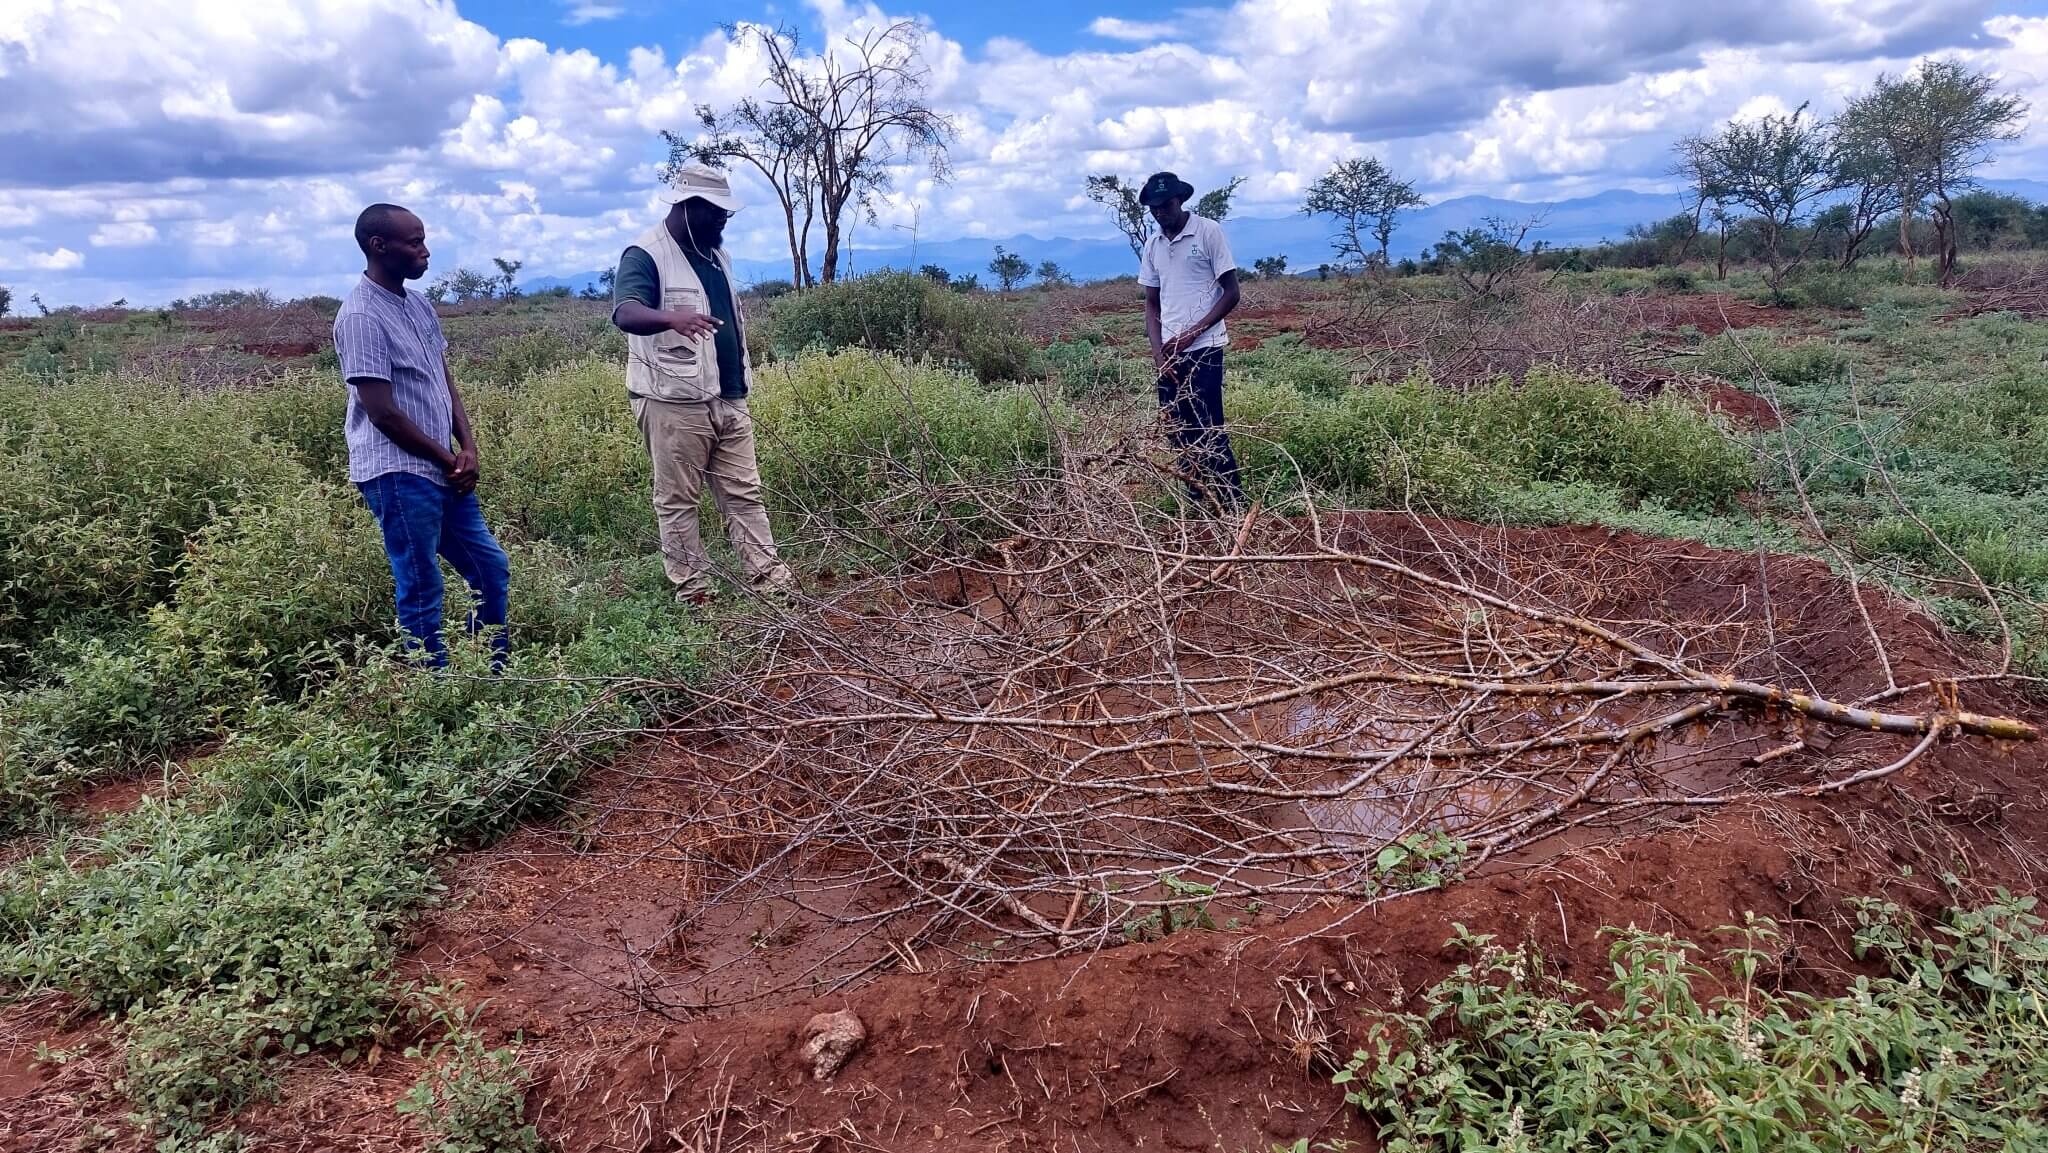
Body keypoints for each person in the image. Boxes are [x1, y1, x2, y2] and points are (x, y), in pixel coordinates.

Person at [333, 203, 511, 668]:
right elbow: (382, 413)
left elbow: (442, 380)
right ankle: (435, 687)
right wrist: (446, 458)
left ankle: (491, 670)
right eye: (414, 243)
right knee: (420, 582)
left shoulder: (418, 305)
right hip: (398, 473)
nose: (425, 251)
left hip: (442, 469)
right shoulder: (360, 317)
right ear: (379, 246)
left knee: (489, 569)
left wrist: (467, 447)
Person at [610, 164, 794, 604]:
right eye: (716, 214)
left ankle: (772, 585)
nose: (722, 223)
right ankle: (695, 595)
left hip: (730, 397)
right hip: (673, 402)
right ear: (688, 206)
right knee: (678, 501)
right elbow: (625, 313)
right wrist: (671, 317)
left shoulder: (715, 254)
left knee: (744, 493)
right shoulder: (645, 254)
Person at [1138, 170, 1245, 511]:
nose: (1159, 212)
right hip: (1169, 358)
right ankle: (1198, 504)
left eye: (1165, 205)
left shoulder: (1208, 232)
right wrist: (1159, 355)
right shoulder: (1153, 245)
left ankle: (1234, 505)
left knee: (1209, 427)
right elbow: (1152, 303)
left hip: (1205, 350)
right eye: (1153, 207)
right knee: (1178, 433)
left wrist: (1192, 333)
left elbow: (1231, 294)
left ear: (1180, 200)